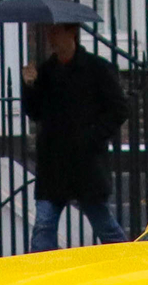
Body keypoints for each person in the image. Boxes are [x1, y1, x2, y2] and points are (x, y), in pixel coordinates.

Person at [21, 21, 131, 248]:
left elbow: (119, 109)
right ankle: (42, 275)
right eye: (48, 31)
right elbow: (34, 112)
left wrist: (93, 136)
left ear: (72, 32)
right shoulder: (46, 72)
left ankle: (127, 261)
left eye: (56, 32)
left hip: (85, 162)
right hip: (53, 163)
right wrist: (30, 86)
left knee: (103, 223)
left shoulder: (97, 69)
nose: (50, 37)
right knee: (43, 224)